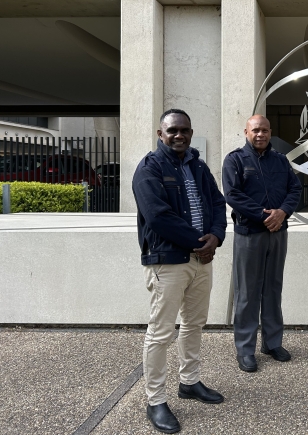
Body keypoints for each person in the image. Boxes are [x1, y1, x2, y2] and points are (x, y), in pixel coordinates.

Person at [132, 109, 228, 434]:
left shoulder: (198, 167)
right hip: (169, 262)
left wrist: (215, 237)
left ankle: (189, 382)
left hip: (202, 260)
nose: (179, 136)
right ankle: (155, 400)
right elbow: (157, 216)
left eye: (184, 130)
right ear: (160, 133)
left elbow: (217, 203)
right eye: (172, 130)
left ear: (190, 132)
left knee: (194, 324)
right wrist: (199, 242)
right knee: (161, 333)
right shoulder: (149, 169)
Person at [222, 115, 302, 373]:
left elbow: (295, 190)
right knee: (247, 293)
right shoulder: (235, 160)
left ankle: (272, 343)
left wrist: (282, 212)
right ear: (246, 131)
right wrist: (264, 215)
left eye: (265, 130)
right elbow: (232, 194)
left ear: (270, 132)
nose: (260, 134)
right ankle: (245, 350)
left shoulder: (280, 160)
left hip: (278, 232)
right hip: (250, 233)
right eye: (255, 130)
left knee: (273, 289)